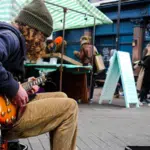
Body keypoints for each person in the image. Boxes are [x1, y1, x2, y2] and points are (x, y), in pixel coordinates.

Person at [0, 0, 78, 150]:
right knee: (70, 108)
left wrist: (22, 84)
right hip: (6, 115)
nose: (41, 43)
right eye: (42, 37)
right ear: (34, 30)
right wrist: (14, 88)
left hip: (7, 106)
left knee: (62, 97)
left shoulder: (10, 36)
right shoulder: (11, 37)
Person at [74, 35, 97, 103]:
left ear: (82, 41)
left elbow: (81, 57)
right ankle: (91, 98)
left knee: (84, 81)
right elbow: (97, 55)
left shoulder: (83, 47)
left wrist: (77, 53)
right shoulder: (93, 46)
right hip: (94, 66)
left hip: (86, 66)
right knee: (91, 82)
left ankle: (84, 97)